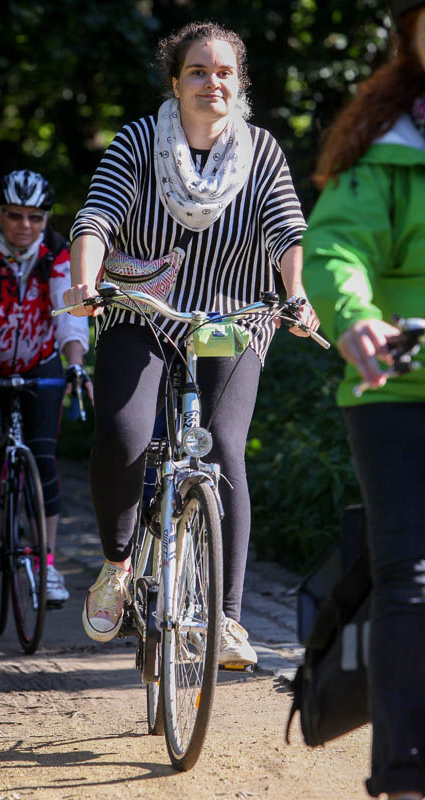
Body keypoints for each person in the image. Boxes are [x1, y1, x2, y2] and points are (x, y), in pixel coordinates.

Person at [63, 21, 319, 664]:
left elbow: (287, 229)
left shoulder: (261, 152)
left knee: (225, 448)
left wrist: (295, 293)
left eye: (224, 71)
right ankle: (118, 566)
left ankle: (227, 619)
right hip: (143, 310)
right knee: (122, 435)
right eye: (198, 71)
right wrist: (85, 281)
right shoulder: (139, 142)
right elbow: (97, 217)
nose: (212, 82)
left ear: (241, 83)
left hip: (231, 316)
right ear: (175, 83)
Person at [302, 2, 425, 797]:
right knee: (409, 574)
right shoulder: (387, 146)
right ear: (410, 36)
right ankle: (405, 777)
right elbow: (337, 244)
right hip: (395, 384)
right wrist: (353, 318)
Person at [0, 169, 92, 606]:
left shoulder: (57, 251)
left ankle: (47, 565)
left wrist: (75, 365)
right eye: (14, 215)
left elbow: (70, 311)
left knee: (43, 459)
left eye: (35, 217)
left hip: (38, 361)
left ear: (46, 218)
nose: (25, 225)